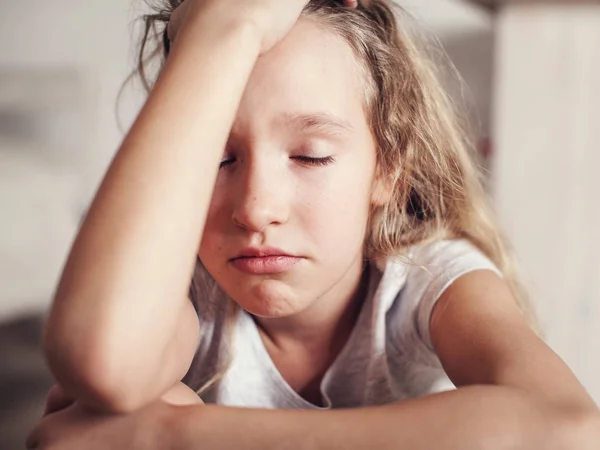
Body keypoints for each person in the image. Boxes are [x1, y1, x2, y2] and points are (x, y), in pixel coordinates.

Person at [28, 0, 599, 448]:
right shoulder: (186, 293)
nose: (255, 209)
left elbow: (569, 431)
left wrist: (171, 437)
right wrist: (226, 24)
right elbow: (101, 360)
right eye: (215, 158)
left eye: (310, 157)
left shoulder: (427, 278)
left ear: (388, 172)